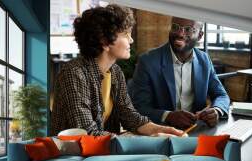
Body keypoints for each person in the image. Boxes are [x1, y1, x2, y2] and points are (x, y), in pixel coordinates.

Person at [51, 4, 183, 137]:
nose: (131, 40)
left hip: (100, 154)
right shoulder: (74, 73)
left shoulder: (115, 72)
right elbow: (87, 133)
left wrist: (162, 130)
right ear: (105, 41)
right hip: (69, 155)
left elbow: (130, 117)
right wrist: (146, 141)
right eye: (126, 34)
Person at [130, 17, 230, 130]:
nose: (180, 33)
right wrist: (168, 116)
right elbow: (139, 107)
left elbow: (221, 95)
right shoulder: (148, 61)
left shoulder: (204, 60)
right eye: (175, 27)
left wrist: (217, 110)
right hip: (160, 130)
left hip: (195, 129)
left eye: (188, 29)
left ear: (200, 35)